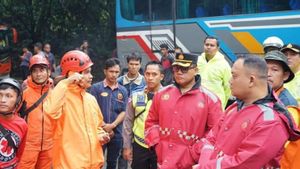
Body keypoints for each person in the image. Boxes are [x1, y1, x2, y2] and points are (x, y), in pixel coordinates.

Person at [192, 56, 300, 169]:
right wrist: (204, 164)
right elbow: (211, 140)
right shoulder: (234, 107)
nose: (230, 81)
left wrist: (204, 167)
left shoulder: (270, 121)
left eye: (234, 76)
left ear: (251, 80)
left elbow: (243, 163)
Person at [144, 53, 223, 168]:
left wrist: (193, 153)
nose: (179, 72)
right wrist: (157, 145)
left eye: (184, 68)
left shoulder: (210, 99)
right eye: (176, 68)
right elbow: (151, 122)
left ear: (195, 70)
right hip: (163, 161)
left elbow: (215, 133)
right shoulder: (161, 94)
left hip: (191, 163)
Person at [44, 50, 110, 168]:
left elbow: (97, 127)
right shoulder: (61, 99)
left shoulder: (90, 99)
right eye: (87, 72)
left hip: (93, 164)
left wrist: (100, 135)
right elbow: (50, 111)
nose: (91, 76)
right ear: (74, 74)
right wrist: (65, 83)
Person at [122, 61, 164, 169]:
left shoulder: (169, 97)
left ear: (161, 76)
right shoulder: (136, 95)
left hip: (160, 146)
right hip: (139, 145)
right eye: (147, 74)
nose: (150, 77)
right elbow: (128, 122)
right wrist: (127, 146)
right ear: (144, 75)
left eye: (154, 74)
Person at [90, 58, 128, 169]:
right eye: (111, 71)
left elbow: (124, 111)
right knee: (97, 162)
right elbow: (92, 110)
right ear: (105, 71)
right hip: (98, 132)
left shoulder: (123, 90)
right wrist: (104, 126)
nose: (114, 75)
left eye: (117, 72)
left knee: (112, 163)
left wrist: (112, 126)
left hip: (116, 133)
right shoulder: (96, 88)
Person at [18, 55, 54, 169]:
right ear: (31, 73)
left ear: (48, 71)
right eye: (35, 71)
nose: (38, 74)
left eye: (42, 70)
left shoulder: (54, 92)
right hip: (28, 145)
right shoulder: (24, 92)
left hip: (48, 145)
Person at [197, 36, 231, 110]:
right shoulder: (198, 61)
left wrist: (222, 104)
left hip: (216, 105)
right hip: (198, 102)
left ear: (218, 48)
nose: (208, 47)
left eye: (212, 45)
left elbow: (228, 88)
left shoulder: (224, 64)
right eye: (207, 44)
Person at [0, 78, 28, 168]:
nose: (2, 100)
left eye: (9, 96)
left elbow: (20, 152)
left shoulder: (22, 124)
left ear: (17, 99)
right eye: (0, 95)